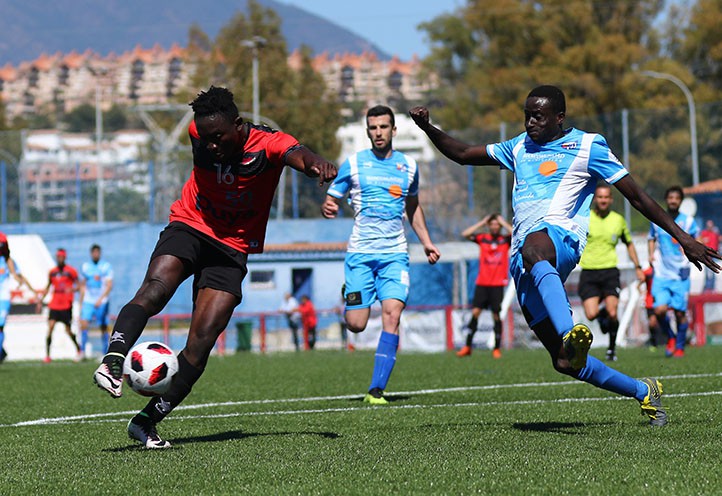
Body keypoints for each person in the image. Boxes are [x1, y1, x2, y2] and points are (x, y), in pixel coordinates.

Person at [410, 85, 720, 427]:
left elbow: (638, 197)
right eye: (526, 115)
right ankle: (643, 390)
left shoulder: (589, 146)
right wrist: (428, 128)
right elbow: (464, 153)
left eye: (538, 116)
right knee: (565, 362)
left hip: (561, 240)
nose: (530, 122)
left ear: (560, 117)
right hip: (524, 261)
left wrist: (683, 238)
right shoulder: (518, 147)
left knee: (534, 246)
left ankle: (571, 329)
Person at [92, 86, 337, 448]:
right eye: (205, 139)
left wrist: (315, 164)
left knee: (201, 342)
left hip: (232, 248)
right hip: (190, 225)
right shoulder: (198, 132)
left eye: (218, 137)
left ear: (238, 125)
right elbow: (207, 136)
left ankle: (146, 423)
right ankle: (114, 358)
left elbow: (295, 152)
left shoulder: (267, 144)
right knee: (155, 289)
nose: (211, 146)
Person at [322, 105, 441, 405]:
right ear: (367, 131)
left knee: (392, 314)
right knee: (357, 324)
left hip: (394, 254)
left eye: (383, 127)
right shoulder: (354, 164)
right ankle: (349, 292)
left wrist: (426, 241)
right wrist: (330, 206)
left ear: (393, 130)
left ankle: (377, 390)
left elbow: (413, 207)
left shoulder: (409, 167)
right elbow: (332, 196)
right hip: (361, 253)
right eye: (373, 128)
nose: (378, 133)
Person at [578, 184, 645, 362]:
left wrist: (638, 267)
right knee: (591, 314)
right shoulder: (585, 218)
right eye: (600, 197)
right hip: (589, 272)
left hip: (609, 272)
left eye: (606, 197)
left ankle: (611, 349)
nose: (603, 200)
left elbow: (629, 243)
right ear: (595, 199)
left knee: (613, 312)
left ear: (611, 199)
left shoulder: (618, 220)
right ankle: (602, 319)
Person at [648, 186, 700, 358]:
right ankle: (670, 338)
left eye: (676, 198)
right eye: (670, 197)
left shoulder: (689, 221)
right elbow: (651, 238)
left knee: (680, 313)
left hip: (681, 274)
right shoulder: (657, 219)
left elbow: (696, 240)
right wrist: (650, 255)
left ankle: (679, 346)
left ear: (681, 201)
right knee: (660, 310)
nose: (673, 200)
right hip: (662, 274)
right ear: (666, 199)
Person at [456, 213, 512, 359]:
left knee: (496, 315)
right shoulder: (483, 239)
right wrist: (482, 221)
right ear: (489, 225)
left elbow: (516, 233)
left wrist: (503, 222)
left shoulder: (505, 240)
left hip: (497, 284)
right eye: (492, 224)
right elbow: (465, 234)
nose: (494, 227)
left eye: (497, 224)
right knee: (475, 313)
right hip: (482, 283)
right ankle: (467, 346)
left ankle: (496, 348)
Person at [38, 248, 82, 363]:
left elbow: (79, 285)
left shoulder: (71, 271)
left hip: (66, 305)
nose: (60, 259)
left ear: (65, 258)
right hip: (54, 305)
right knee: (50, 328)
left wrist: (72, 289)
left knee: (68, 330)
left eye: (62, 257)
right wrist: (40, 300)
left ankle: (78, 349)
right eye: (58, 257)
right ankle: (47, 355)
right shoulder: (52, 272)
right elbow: (48, 287)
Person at [0, 233, 37, 363]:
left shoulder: (7, 261)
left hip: (3, 298)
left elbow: (18, 276)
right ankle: (2, 352)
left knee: (0, 325)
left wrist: (32, 291)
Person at [78, 244, 114, 358]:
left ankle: (105, 352)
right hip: (88, 301)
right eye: (94, 252)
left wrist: (101, 299)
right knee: (83, 324)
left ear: (100, 253)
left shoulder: (106, 267)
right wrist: (81, 302)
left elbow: (109, 285)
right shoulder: (86, 267)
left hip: (102, 301)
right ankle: (82, 352)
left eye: (97, 252)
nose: (96, 254)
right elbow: (83, 285)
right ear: (91, 253)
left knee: (103, 326)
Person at [642, 265, 664, 351]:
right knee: (652, 323)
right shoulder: (648, 272)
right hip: (650, 302)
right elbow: (641, 279)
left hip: (660, 300)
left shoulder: (662, 270)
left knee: (661, 321)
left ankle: (667, 340)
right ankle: (654, 342)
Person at [699, 219, 721, 292]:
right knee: (707, 272)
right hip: (707, 255)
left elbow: (719, 240)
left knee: (713, 271)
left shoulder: (715, 233)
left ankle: (712, 287)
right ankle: (707, 287)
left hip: (713, 255)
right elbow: (700, 241)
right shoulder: (704, 233)